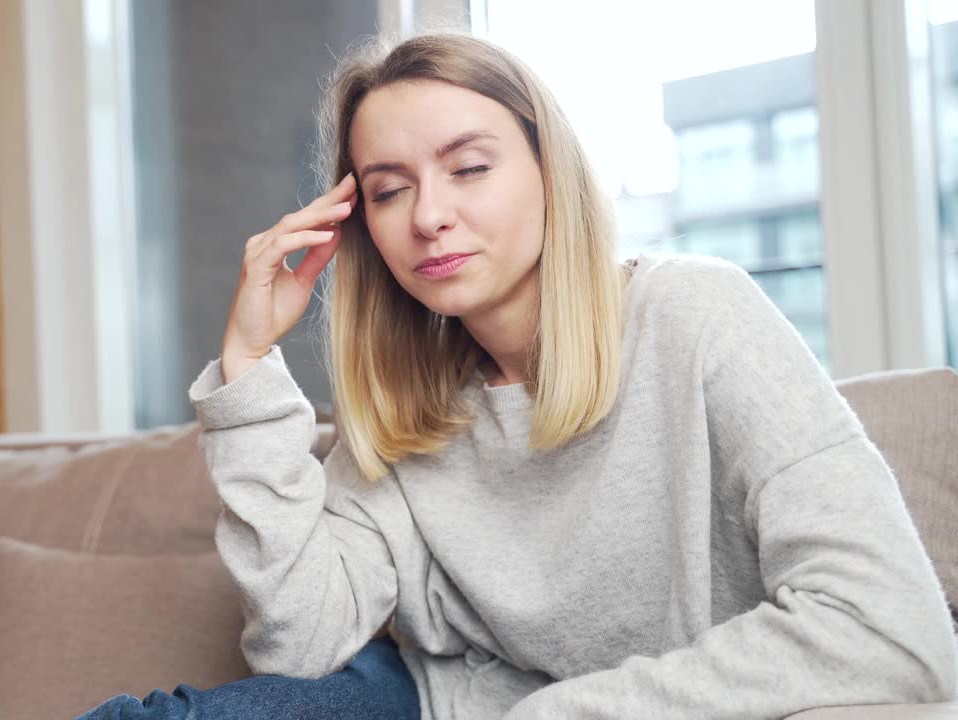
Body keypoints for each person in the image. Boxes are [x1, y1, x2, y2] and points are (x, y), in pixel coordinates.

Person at [72, 31, 957, 720]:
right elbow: (300, 644)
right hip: (439, 697)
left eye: (468, 168)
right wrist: (248, 363)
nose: (429, 215)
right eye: (386, 189)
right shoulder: (407, 405)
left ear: (547, 170)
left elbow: (889, 628)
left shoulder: (698, 316)